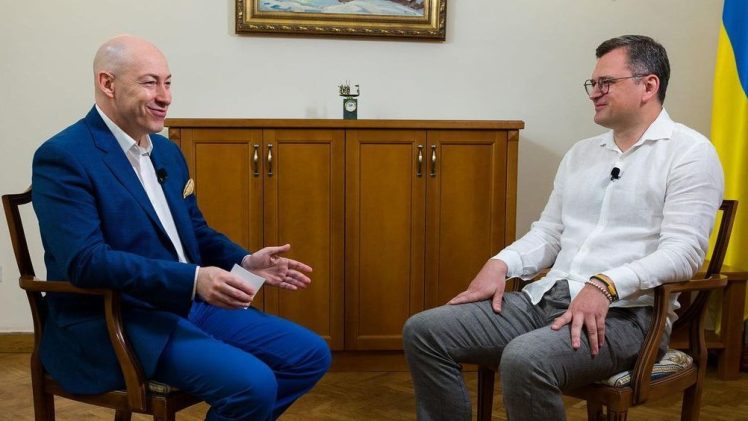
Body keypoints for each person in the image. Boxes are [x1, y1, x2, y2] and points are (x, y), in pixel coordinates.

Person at [402, 35, 724, 420]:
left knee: (525, 359)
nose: (594, 93)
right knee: (424, 331)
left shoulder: (690, 153)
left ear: (648, 86)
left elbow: (684, 254)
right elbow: (549, 233)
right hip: (545, 298)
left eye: (606, 82)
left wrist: (606, 284)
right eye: (593, 83)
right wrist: (500, 264)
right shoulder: (581, 154)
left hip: (627, 317)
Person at [31, 34, 331, 421]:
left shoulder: (166, 151)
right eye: (149, 83)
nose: (165, 97)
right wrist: (193, 280)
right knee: (253, 384)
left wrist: (244, 260)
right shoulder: (64, 156)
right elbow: (86, 262)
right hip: (118, 317)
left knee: (309, 355)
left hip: (183, 303)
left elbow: (195, 231)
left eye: (168, 83)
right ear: (108, 83)